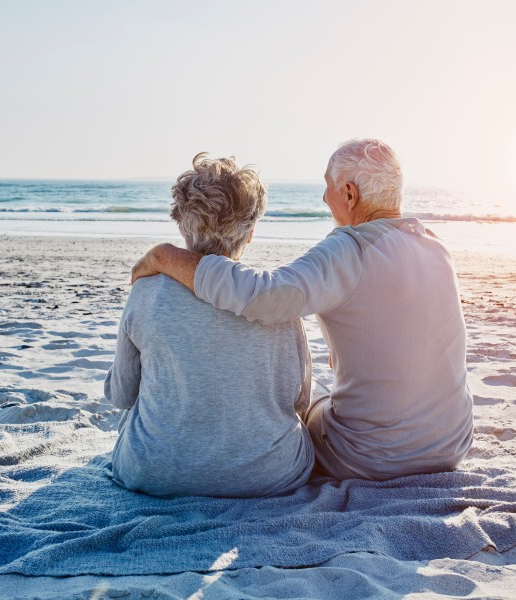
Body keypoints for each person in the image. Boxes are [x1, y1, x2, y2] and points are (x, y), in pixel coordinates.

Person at [131, 139, 473, 481]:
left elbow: (265, 298)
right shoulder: (436, 247)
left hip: (372, 458)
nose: (325, 198)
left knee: (310, 403)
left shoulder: (349, 249)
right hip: (451, 446)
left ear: (350, 195)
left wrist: (166, 256)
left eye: (329, 187)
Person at [105, 153, 314, 497]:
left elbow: (122, 394)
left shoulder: (146, 291)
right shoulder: (274, 296)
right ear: (250, 234)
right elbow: (300, 398)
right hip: (270, 475)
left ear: (181, 225)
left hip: (154, 472)